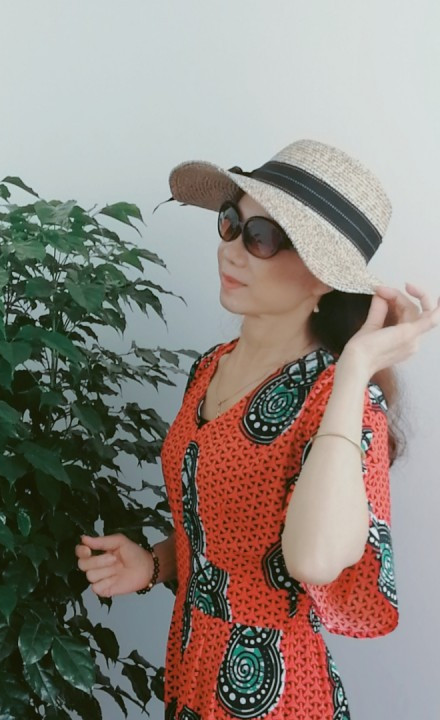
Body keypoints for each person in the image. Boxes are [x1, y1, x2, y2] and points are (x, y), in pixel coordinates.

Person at [75, 139, 440, 719]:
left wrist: (354, 371)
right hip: (191, 668)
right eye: (231, 222)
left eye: (262, 237)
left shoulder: (345, 403)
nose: (232, 250)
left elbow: (313, 562)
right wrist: (154, 564)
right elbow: (226, 535)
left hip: (275, 695)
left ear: (324, 277)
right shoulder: (209, 368)